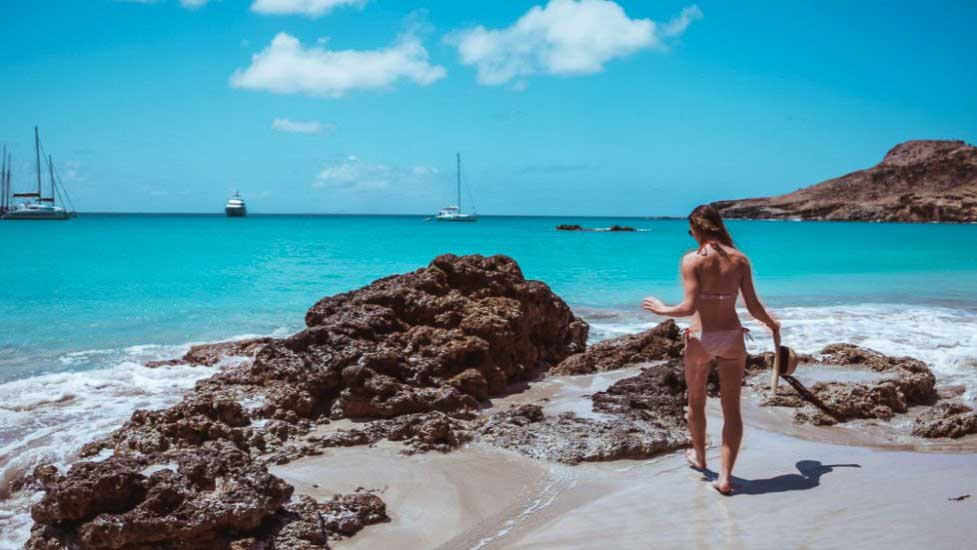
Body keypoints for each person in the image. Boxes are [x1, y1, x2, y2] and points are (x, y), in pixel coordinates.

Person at [641, 205, 780, 495]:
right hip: (731, 336)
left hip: (702, 337)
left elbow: (688, 307)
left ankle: (701, 458)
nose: (690, 234)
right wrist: (772, 324)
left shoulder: (692, 260)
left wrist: (661, 309)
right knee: (732, 410)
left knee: (696, 401)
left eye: (690, 229)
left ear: (698, 228)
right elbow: (753, 307)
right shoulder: (740, 260)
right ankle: (726, 477)